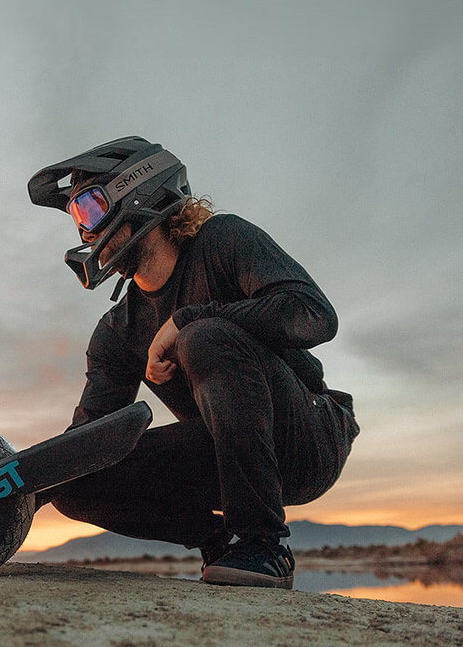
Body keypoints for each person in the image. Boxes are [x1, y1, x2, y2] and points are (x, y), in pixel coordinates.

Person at [27, 136, 359, 589]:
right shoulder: (118, 331)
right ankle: (220, 544)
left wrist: (187, 320)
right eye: (76, 218)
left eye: (89, 209)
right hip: (225, 454)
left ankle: (264, 545)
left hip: (308, 439)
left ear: (137, 191)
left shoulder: (223, 241)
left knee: (203, 337)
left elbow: (314, 315)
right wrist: (24, 484)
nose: (85, 233)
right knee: (75, 478)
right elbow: (91, 439)